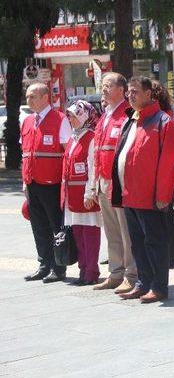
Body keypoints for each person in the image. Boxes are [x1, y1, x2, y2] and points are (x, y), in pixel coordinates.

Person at [111, 76, 174, 303]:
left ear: (149, 94)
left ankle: (159, 287)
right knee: (137, 242)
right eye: (128, 92)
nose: (130, 95)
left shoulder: (163, 121)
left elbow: (168, 163)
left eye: (135, 92)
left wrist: (162, 196)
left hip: (150, 197)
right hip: (130, 194)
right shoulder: (132, 120)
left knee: (155, 243)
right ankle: (143, 282)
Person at [21, 83, 72, 283]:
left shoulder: (60, 119)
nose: (28, 100)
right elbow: (25, 154)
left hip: (52, 184)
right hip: (32, 181)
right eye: (27, 97)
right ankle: (44, 264)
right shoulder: (27, 122)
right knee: (38, 226)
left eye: (32, 96)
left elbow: (68, 152)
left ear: (45, 97)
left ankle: (59, 268)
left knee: (56, 226)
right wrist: (24, 182)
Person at [93, 73, 137, 293]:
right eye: (103, 86)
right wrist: (94, 183)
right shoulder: (105, 116)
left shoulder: (127, 115)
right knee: (111, 232)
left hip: (119, 182)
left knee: (126, 232)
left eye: (108, 86)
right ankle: (115, 272)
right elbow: (98, 152)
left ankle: (131, 274)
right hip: (103, 182)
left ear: (121, 90)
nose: (104, 89)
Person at [61, 100, 102, 286]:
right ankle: (82, 269)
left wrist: (90, 193)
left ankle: (91, 271)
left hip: (85, 193)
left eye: (74, 115)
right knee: (78, 233)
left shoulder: (91, 137)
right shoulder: (73, 137)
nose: (70, 119)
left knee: (90, 234)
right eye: (69, 116)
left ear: (84, 116)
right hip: (72, 194)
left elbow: (93, 167)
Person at [152, 81, 174, 269]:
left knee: (166, 214)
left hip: (164, 172)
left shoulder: (165, 118)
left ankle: (171, 256)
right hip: (153, 172)